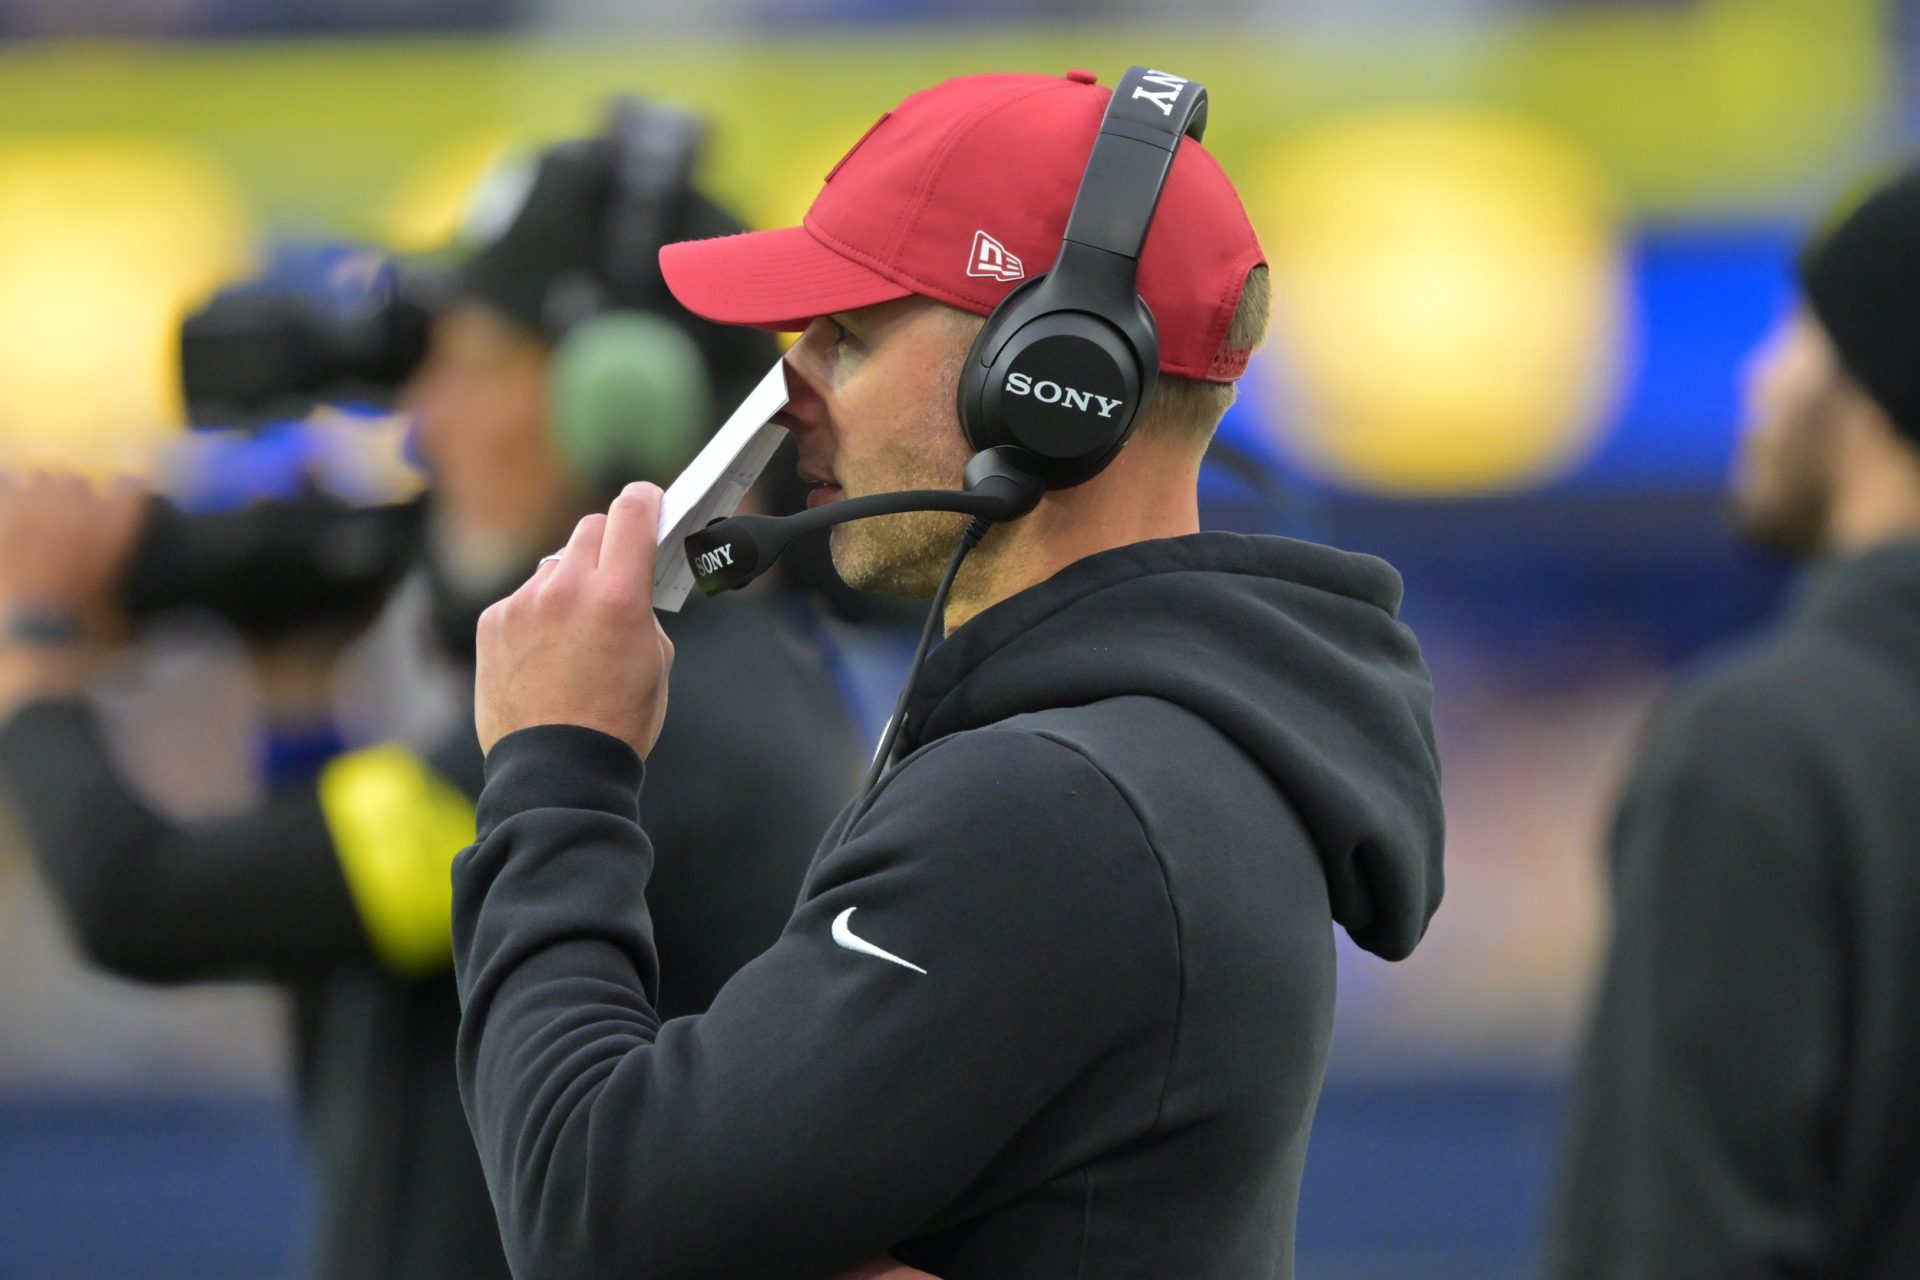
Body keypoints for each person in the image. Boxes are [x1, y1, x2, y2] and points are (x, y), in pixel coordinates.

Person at [452, 69, 1446, 1279]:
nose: (789, 390)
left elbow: (593, 1214)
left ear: (1048, 382)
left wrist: (558, 764)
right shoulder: (1156, 757)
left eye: (848, 335)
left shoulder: (1050, 806)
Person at [0, 112, 855, 1280]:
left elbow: (139, 902)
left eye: (476, 366)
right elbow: (374, 1071)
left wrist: (31, 644)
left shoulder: (643, 719)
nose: (426, 424)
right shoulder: (704, 682)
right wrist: (298, 706)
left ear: (619, 407)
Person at [1548, 165, 1920, 1278]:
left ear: (1874, 385)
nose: (1763, 377)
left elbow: (1670, 1240)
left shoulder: (1768, 746)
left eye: (1799, 328)